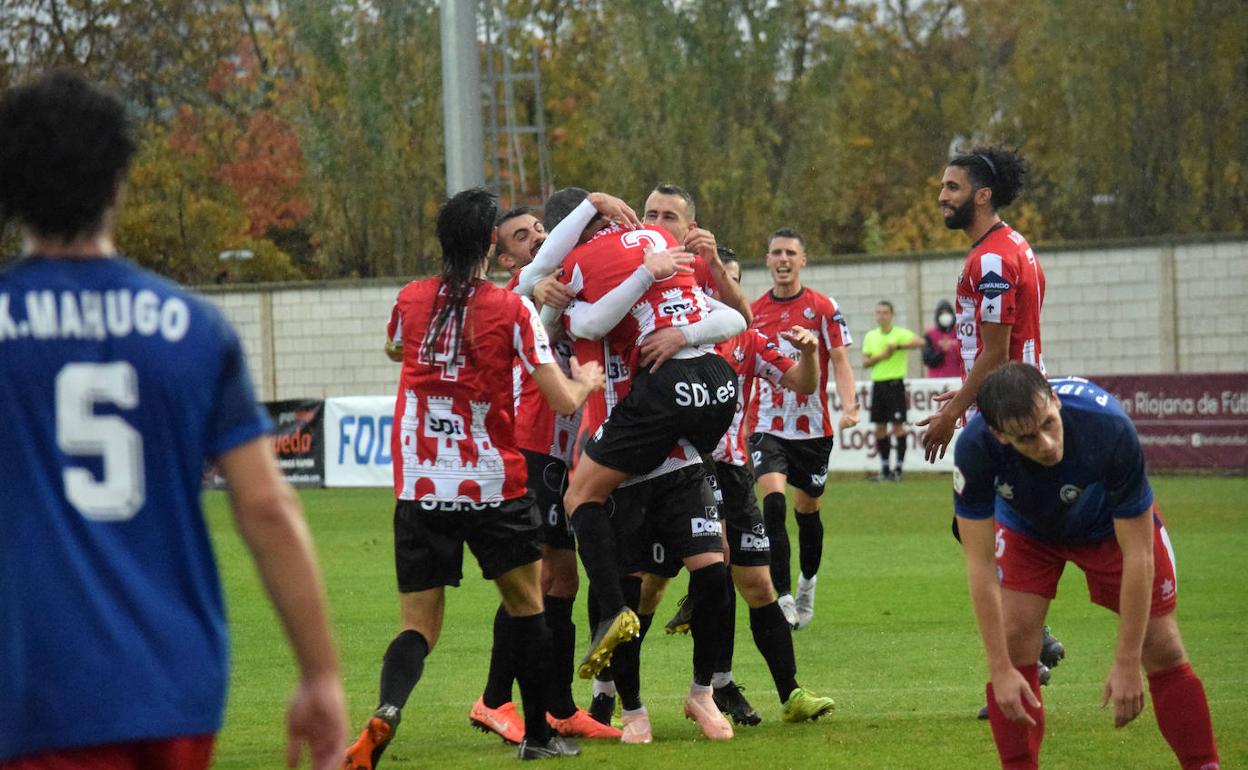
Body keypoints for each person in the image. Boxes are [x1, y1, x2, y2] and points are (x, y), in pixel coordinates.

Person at [0, 70, 346, 770]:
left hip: (41, 689)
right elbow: (268, 507)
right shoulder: (194, 327)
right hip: (178, 685)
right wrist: (320, 675)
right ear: (115, 186)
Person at [345, 188, 605, 767]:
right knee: (526, 605)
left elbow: (393, 349)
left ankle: (388, 708)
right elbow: (561, 400)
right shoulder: (510, 309)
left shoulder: (410, 300)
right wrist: (586, 380)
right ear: (491, 243)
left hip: (420, 486)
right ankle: (537, 736)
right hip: (491, 483)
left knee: (417, 626)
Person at [520, 188, 747, 742]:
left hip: (673, 446)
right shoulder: (576, 288)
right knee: (627, 588)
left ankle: (703, 695)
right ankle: (633, 708)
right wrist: (540, 287)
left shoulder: (662, 273)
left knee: (714, 576)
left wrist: (683, 326)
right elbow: (545, 313)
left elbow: (733, 318)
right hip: (620, 439)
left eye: (658, 219)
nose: (634, 230)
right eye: (638, 217)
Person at [953, 363, 1220, 770]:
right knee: (1013, 643)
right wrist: (1000, 669)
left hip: (1108, 527)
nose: (1045, 443)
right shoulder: (975, 448)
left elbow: (1139, 553)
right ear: (1000, 435)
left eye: (1048, 423)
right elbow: (979, 563)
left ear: (1055, 401)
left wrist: (1127, 660)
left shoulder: (1107, 425)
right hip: (1028, 529)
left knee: (1161, 646)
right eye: (1026, 437)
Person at [646, 249, 838, 727]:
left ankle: (789, 692)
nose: (727, 292)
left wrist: (811, 353)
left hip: (733, 472)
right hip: (680, 470)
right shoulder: (676, 338)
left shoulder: (747, 340)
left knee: (756, 582)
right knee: (650, 588)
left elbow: (802, 384)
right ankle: (612, 694)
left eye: (734, 282)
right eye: (718, 281)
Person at [468, 207, 621, 743]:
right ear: (504, 255)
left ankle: (558, 705)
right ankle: (493, 699)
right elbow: (524, 305)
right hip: (532, 442)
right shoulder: (520, 292)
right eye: (521, 236)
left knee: (562, 579)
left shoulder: (568, 281)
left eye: (539, 230)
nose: (535, 238)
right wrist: (540, 295)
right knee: (531, 580)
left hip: (563, 450)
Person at [747, 227, 859, 630]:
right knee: (773, 505)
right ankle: (784, 599)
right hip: (766, 425)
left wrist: (850, 405)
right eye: (776, 252)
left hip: (812, 429)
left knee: (807, 511)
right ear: (767, 260)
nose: (782, 259)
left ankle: (807, 583)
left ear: (803, 260)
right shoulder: (753, 311)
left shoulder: (823, 307)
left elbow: (841, 359)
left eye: (790, 253)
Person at [919, 146, 1045, 463]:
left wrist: (951, 413)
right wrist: (967, 394)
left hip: (1008, 409)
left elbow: (996, 352)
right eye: (942, 187)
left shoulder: (992, 260)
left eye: (952, 187)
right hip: (1017, 397)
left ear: (982, 196)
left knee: (981, 511)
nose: (941, 197)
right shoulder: (1014, 243)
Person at [861, 300, 923, 481]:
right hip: (878, 385)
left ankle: (898, 469)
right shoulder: (871, 336)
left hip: (895, 385)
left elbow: (920, 342)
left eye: (885, 312)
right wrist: (882, 356)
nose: (881, 316)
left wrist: (898, 347)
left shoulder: (899, 334)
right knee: (879, 427)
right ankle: (885, 468)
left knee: (898, 426)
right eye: (878, 312)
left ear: (892, 315)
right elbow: (865, 362)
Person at [923, 299, 962, 378]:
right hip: (937, 381)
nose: (945, 316)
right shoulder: (930, 334)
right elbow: (928, 360)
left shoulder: (960, 333)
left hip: (958, 379)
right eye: (942, 313)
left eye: (947, 312)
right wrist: (942, 351)